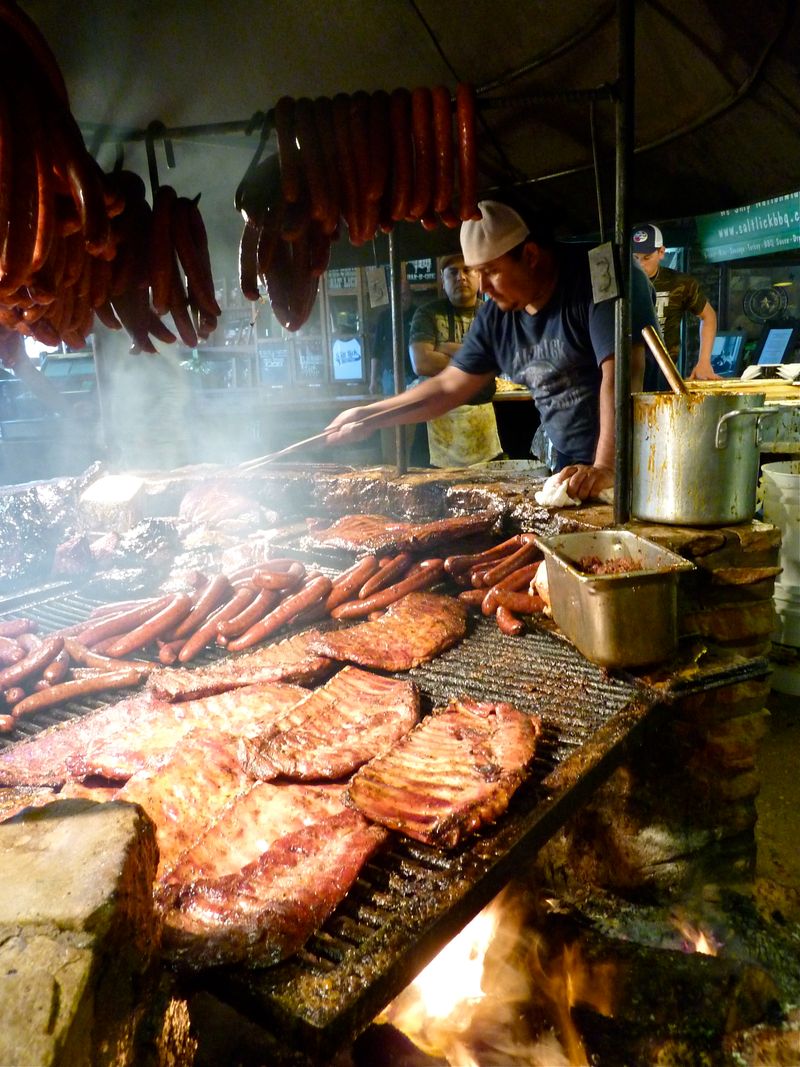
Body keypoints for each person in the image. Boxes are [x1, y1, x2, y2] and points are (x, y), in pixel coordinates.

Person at [325, 199, 658, 500]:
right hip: (572, 462)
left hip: (641, 457)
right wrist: (370, 416)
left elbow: (621, 374)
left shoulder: (602, 272)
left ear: (530, 256)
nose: (482, 286)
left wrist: (606, 467)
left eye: (490, 272)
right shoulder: (497, 316)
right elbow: (447, 387)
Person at [407, 253, 503, 468]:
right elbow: (422, 363)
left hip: (482, 417)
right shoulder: (427, 313)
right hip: (436, 420)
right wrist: (477, 356)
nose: (461, 277)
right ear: (443, 280)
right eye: (452, 273)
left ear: (478, 275)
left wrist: (446, 347)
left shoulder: (492, 312)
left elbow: (496, 359)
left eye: (467, 270)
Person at [631, 223, 720, 383]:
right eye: (635, 258)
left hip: (664, 373)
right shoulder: (621, 283)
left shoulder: (679, 283)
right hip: (627, 370)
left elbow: (709, 316)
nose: (640, 264)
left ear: (661, 252)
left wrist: (704, 361)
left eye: (646, 258)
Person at [369, 279, 416, 397]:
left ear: (410, 294)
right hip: (390, 376)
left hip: (415, 376)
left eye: (405, 294)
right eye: (398, 295)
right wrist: (373, 380)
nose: (402, 298)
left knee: (415, 413)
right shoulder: (384, 316)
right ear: (392, 296)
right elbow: (376, 350)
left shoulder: (419, 314)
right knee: (393, 413)